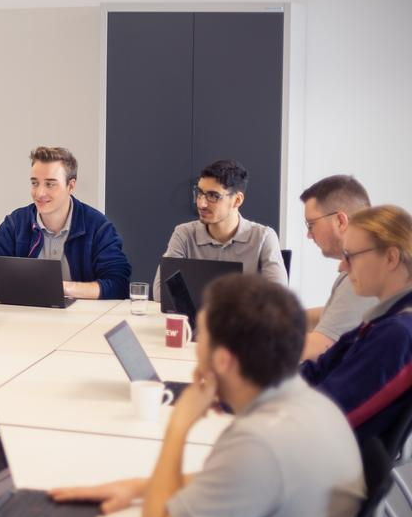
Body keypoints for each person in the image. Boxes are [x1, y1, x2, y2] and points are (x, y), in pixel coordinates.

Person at [52, 275, 364, 517]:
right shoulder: (310, 407)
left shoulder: (258, 444)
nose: (194, 347)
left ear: (224, 360)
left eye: (200, 337)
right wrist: (140, 486)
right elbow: (248, 482)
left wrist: (179, 425)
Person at [300, 204, 412, 443]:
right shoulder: (380, 323)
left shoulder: (396, 335)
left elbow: (328, 416)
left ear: (391, 258)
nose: (342, 266)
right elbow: (317, 371)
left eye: (349, 256)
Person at [0, 146, 130, 299]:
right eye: (35, 183)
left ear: (71, 186)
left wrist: (60, 287)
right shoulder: (16, 223)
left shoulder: (98, 227)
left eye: (50, 184)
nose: (40, 193)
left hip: (81, 320)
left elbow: (118, 285)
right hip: (26, 316)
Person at [153, 159, 286, 298]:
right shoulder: (184, 234)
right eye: (199, 193)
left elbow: (278, 299)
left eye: (213, 196)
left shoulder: (263, 237)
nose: (201, 203)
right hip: (194, 319)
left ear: (237, 200)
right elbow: (161, 292)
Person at [299, 175, 377, 361]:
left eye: (311, 225)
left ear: (340, 221)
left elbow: (320, 346)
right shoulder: (375, 258)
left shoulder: (365, 269)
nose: (309, 235)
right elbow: (339, 315)